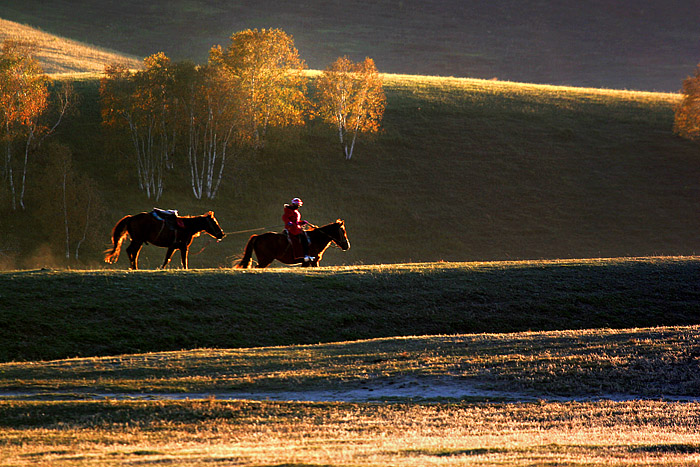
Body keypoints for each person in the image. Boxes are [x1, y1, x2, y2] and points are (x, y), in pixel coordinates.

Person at [283, 197, 313, 262]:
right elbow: (285, 217)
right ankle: (302, 256)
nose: (298, 206)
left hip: (296, 228)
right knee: (300, 240)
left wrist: (302, 222)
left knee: (306, 239)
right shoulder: (289, 210)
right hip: (291, 229)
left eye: (299, 205)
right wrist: (288, 222)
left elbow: (296, 222)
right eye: (297, 205)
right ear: (293, 204)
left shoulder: (296, 211)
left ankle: (306, 255)